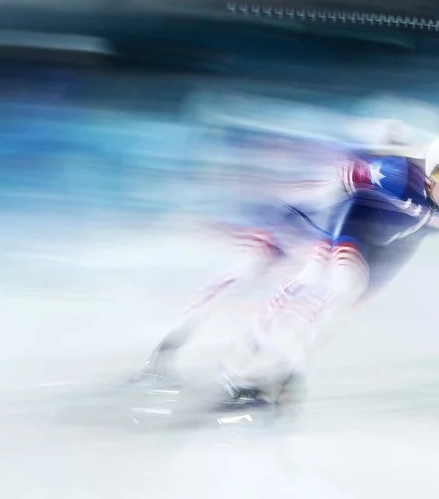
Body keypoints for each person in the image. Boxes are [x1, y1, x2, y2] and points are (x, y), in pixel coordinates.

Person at [213, 129, 439, 413]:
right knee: (330, 286)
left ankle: (285, 374)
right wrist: (321, 243)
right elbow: (340, 181)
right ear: (431, 171)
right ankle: (243, 354)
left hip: (388, 251)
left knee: (334, 311)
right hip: (353, 228)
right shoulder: (396, 176)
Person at [135, 114, 417, 385]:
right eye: (393, 155)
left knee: (271, 288)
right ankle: (189, 353)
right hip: (293, 227)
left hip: (301, 229)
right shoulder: (364, 169)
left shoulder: (359, 168)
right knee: (260, 283)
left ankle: (226, 360)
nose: (397, 163)